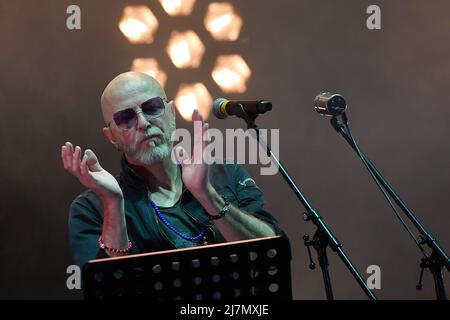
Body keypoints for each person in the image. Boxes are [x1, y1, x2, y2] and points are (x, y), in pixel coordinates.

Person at [61, 72, 285, 268]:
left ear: (171, 113)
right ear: (112, 137)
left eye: (151, 108)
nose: (143, 123)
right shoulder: (91, 207)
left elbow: (273, 248)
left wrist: (208, 196)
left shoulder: (225, 173)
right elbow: (108, 288)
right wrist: (113, 203)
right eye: (125, 118)